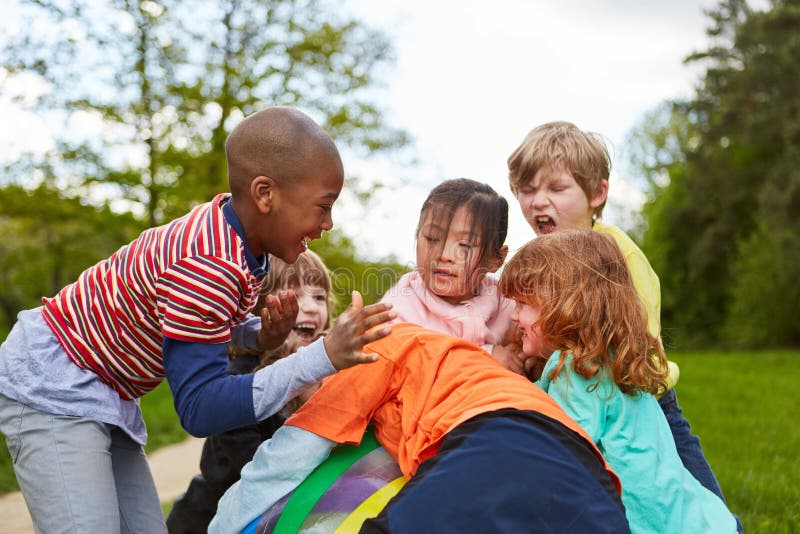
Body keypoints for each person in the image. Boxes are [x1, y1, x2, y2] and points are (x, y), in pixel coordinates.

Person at [0, 106, 395, 533]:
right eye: (323, 206)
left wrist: (261, 336)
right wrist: (323, 356)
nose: (328, 224)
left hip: (108, 389)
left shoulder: (242, 241)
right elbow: (199, 408)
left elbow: (203, 324)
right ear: (265, 194)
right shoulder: (208, 265)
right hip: (55, 385)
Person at [506, 120, 736, 511]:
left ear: (597, 193)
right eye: (527, 190)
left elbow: (630, 331)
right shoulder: (539, 261)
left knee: (687, 496)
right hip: (582, 392)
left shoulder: (615, 254)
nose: (538, 202)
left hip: (641, 399)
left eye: (557, 188)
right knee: (622, 501)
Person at [209, 322, 631, 534]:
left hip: (496, 442)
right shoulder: (449, 360)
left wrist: (222, 525)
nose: (306, 399)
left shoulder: (367, 355)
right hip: (592, 476)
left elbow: (288, 457)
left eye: (306, 390)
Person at [499, 230, 738, 533]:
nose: (514, 316)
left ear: (563, 304)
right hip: (699, 518)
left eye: (523, 303)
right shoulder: (611, 360)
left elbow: (557, 449)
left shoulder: (577, 368)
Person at [166, 250, 333, 533]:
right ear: (260, 314)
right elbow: (258, 469)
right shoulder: (241, 379)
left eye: (319, 297)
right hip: (208, 519)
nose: (312, 307)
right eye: (294, 297)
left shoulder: (324, 376)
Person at [380, 178, 522, 370]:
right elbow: (406, 363)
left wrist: (522, 355)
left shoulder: (506, 304)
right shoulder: (399, 306)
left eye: (465, 245)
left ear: (495, 259)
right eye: (431, 238)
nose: (444, 255)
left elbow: (532, 343)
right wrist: (486, 356)